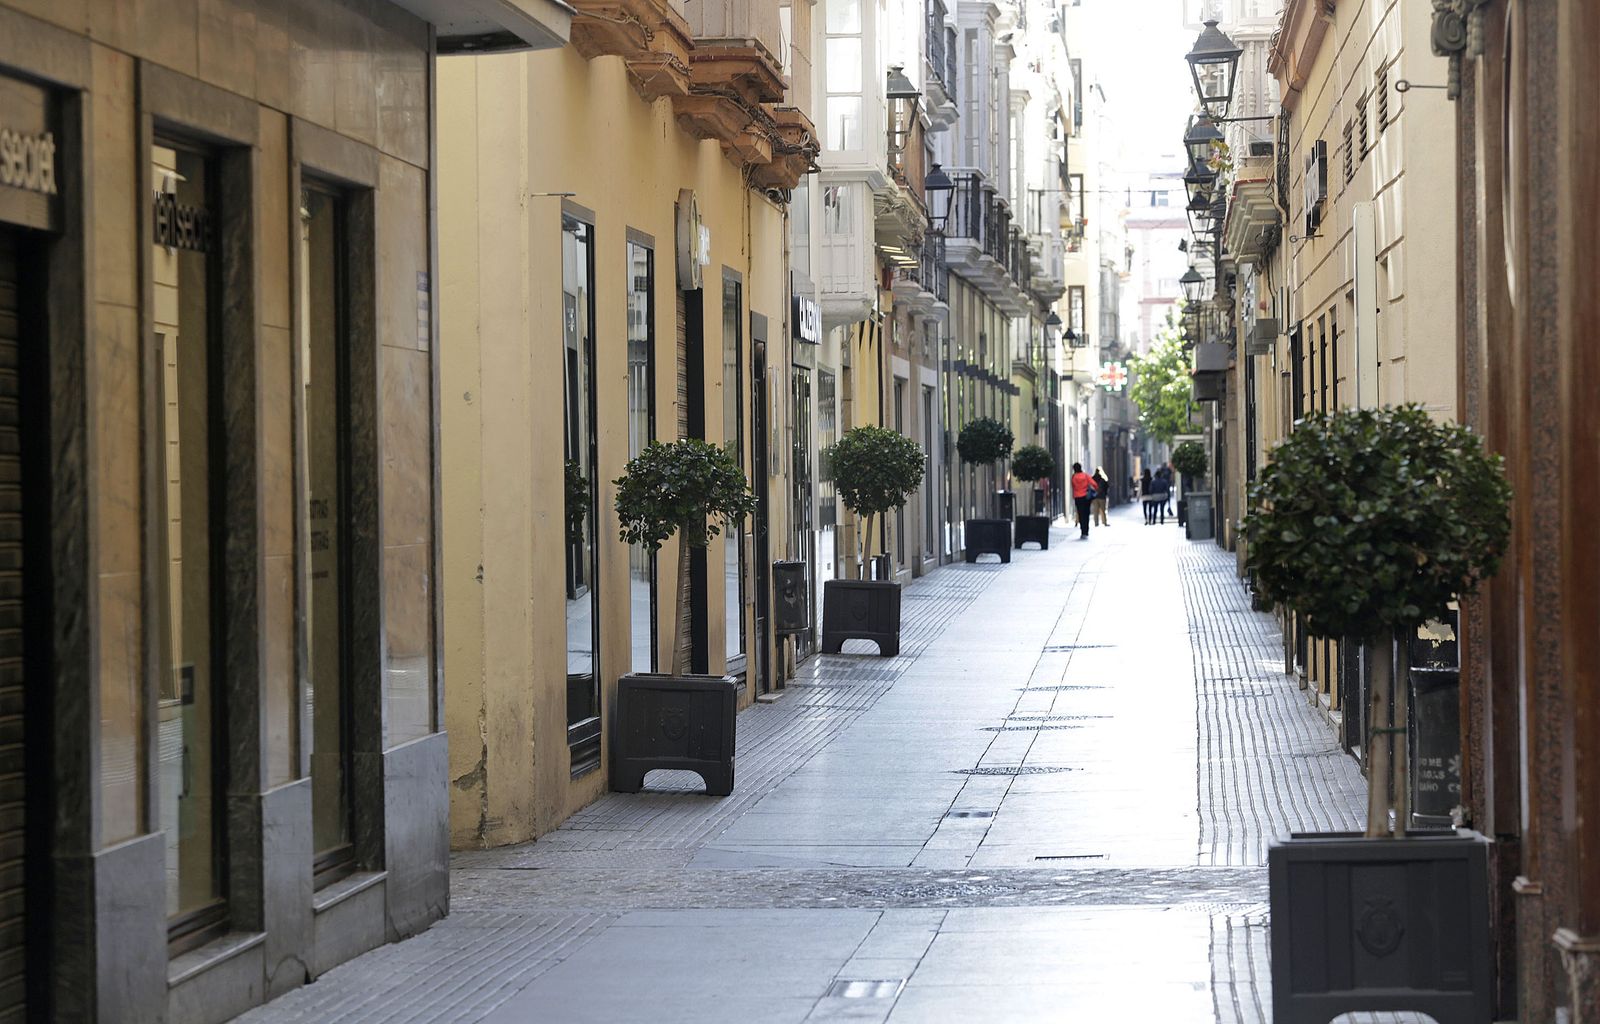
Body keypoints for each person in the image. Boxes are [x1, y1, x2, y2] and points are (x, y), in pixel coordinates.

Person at [1070, 462, 1096, 540]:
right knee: (1086, 514)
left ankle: (1082, 531)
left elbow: (1073, 486)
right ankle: (1086, 531)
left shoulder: (1074, 477)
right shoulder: (1085, 475)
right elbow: (1094, 483)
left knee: (1080, 514)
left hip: (1078, 497)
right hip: (1086, 497)